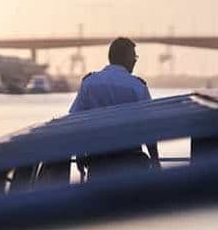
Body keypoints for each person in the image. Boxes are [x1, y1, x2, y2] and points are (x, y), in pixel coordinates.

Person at [69, 37, 160, 179]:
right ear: (125, 58)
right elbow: (149, 128)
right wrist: (155, 161)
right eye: (133, 56)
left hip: (98, 163)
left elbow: (76, 121)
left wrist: (80, 155)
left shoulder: (89, 83)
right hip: (131, 162)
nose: (135, 60)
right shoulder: (137, 87)